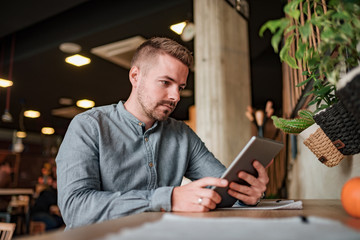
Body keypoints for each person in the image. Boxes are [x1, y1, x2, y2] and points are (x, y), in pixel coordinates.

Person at [56, 37, 269, 229]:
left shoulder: (182, 135)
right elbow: (75, 209)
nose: (175, 96)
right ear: (135, 76)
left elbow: (221, 185)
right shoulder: (89, 126)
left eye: (180, 86)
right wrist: (168, 198)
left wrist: (246, 193)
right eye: (166, 82)